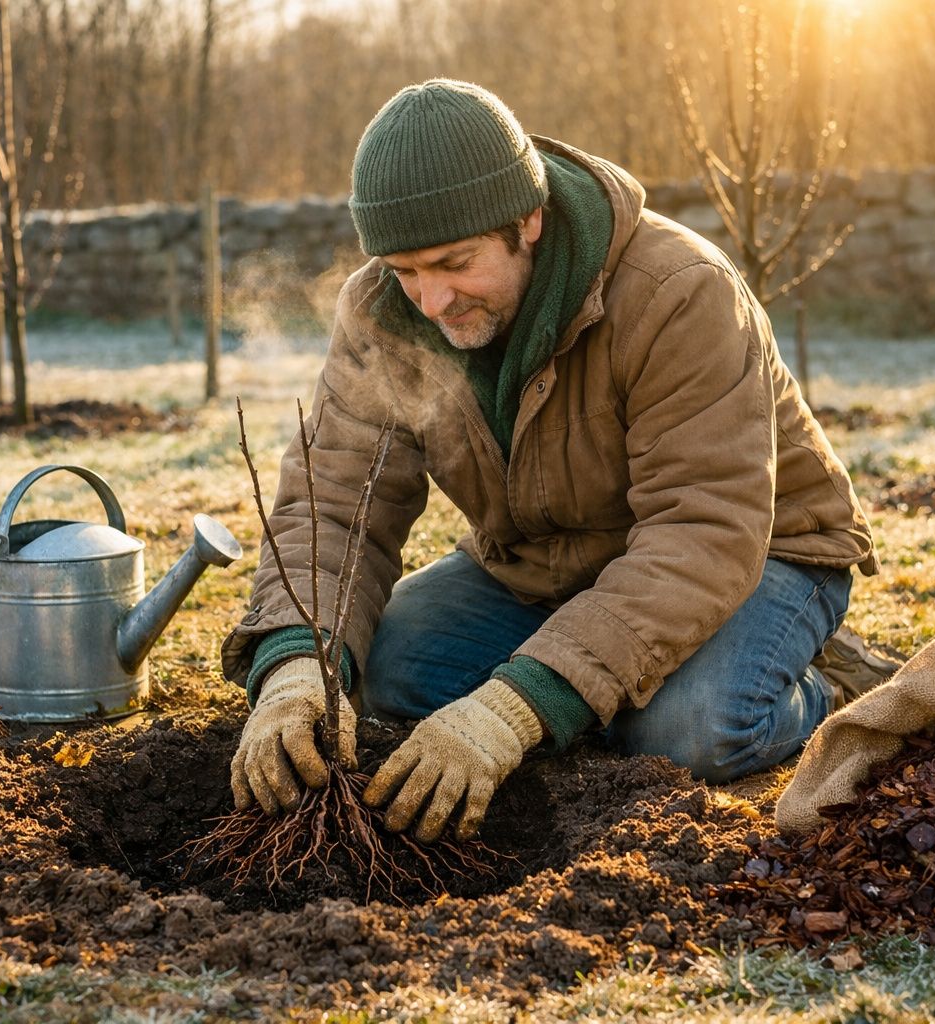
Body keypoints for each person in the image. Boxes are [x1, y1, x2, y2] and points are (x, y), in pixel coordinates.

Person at [220, 79, 880, 844]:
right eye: (406, 270)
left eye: (454, 262)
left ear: (527, 221)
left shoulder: (678, 292)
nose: (431, 300)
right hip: (548, 564)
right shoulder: (384, 314)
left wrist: (511, 711)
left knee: (692, 734)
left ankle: (821, 678)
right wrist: (299, 666)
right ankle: (604, 684)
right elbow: (337, 504)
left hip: (758, 555)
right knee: (390, 672)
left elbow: (704, 532)